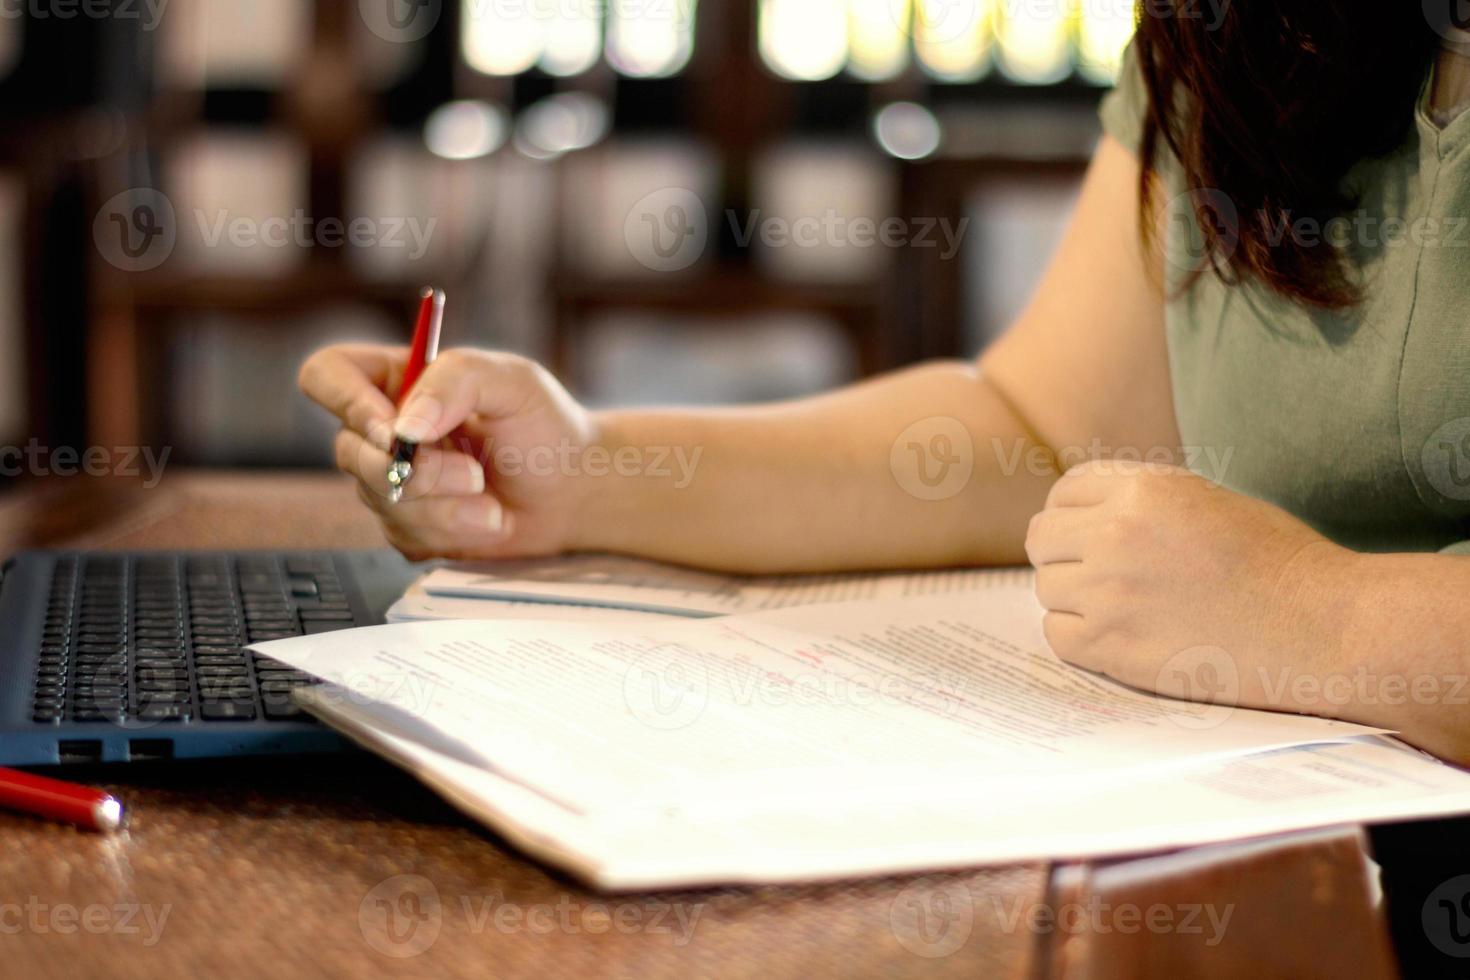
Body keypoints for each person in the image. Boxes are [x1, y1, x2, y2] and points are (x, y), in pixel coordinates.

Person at [299, 10, 1470, 764]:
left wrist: (1316, 613)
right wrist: (585, 469)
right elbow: (1037, 435)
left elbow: (1274, 599)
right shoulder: (1229, 40)